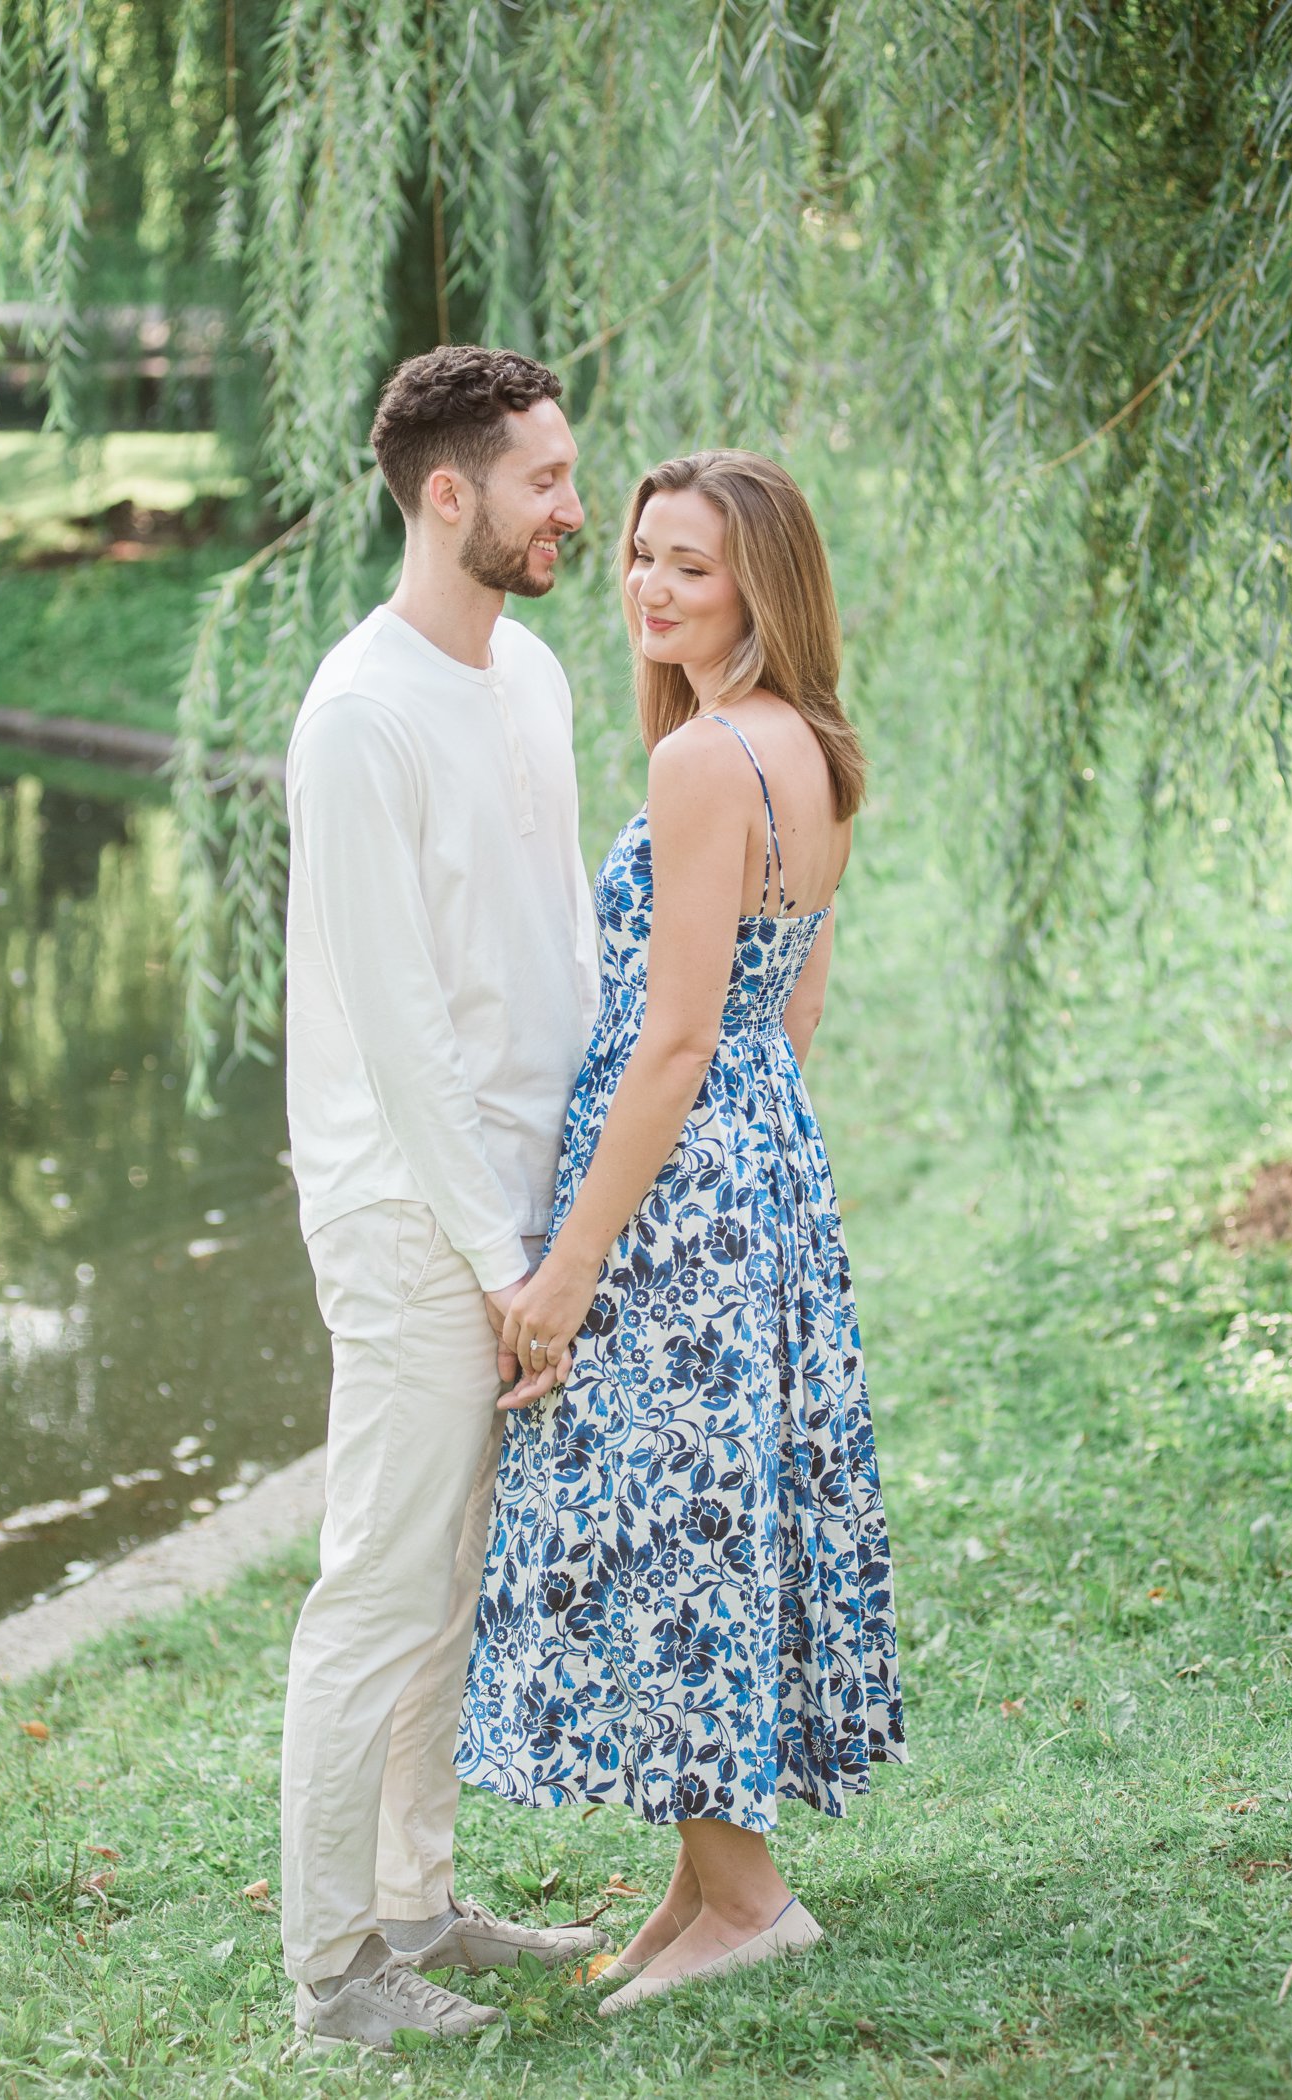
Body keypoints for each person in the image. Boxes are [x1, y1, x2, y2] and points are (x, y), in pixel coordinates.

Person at [455, 448, 906, 2012]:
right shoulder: (811, 749)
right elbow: (796, 1008)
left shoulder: (704, 760)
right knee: (712, 1516)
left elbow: (677, 1039)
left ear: (757, 588)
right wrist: (747, 1166)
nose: (648, 583)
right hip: (758, 1168)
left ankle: (753, 1901)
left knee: (674, 1534)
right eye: (641, 552)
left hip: (675, 1188)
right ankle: (698, 1888)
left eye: (689, 566)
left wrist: (573, 1262)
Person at [279, 344, 605, 2052]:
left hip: (519, 1211)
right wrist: (495, 1261)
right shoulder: (358, 717)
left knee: (451, 1575)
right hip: (414, 1217)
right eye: (546, 480)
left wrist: (565, 1223)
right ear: (449, 494)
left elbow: (551, 944)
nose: (574, 506)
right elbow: (398, 1035)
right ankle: (336, 1974)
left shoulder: (531, 675)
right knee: (376, 1586)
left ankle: (418, 1906)